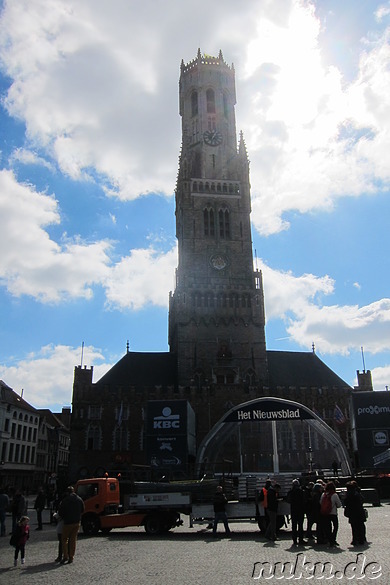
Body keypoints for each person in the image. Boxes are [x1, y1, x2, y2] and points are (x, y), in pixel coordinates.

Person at [58, 486, 85, 564]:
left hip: (68, 522)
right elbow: (83, 509)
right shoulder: (79, 499)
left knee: (64, 539)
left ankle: (65, 556)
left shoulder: (65, 500)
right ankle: (71, 557)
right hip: (77, 522)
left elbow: (60, 512)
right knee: (73, 540)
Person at [343, 480, 367, 546]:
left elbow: (345, 502)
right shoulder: (357, 494)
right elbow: (362, 500)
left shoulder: (348, 495)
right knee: (360, 526)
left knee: (354, 527)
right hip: (359, 512)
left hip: (352, 513)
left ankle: (355, 539)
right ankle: (361, 539)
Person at [320, 481, 342, 547]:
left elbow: (320, 503)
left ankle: (330, 539)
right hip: (333, 513)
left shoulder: (323, 494)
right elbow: (339, 505)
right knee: (335, 526)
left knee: (328, 527)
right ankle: (333, 539)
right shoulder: (334, 495)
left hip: (325, 513)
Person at [287, 479, 307, 546]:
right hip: (300, 510)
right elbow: (304, 500)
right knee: (300, 526)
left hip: (293, 510)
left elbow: (288, 500)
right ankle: (300, 539)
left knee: (294, 526)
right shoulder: (302, 491)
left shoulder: (290, 492)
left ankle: (294, 540)